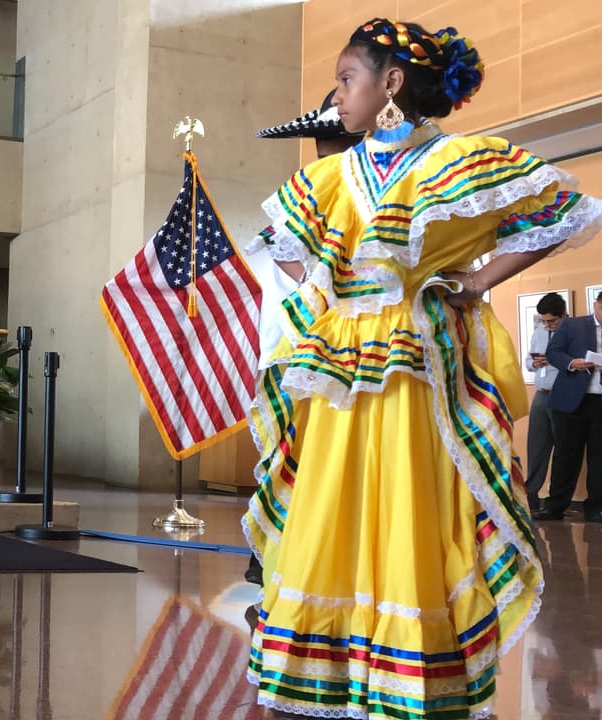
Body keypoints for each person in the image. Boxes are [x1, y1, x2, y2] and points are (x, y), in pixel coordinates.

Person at [242, 18, 602, 719]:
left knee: (409, 500)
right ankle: (336, 654)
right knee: (332, 497)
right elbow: (281, 242)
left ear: (392, 84)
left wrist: (476, 280)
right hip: (343, 361)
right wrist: (327, 289)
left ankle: (404, 667)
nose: (338, 94)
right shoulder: (330, 175)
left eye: (348, 79)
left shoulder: (458, 160)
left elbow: (565, 211)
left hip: (419, 362)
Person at [244, 89, 364, 588]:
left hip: (312, 343)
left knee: (307, 455)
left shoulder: (316, 194)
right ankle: (298, 557)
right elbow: (298, 269)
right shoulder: (321, 192)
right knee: (316, 455)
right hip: (319, 344)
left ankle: (289, 557)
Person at [538, 291, 602, 521]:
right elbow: (553, 353)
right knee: (566, 454)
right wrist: (572, 363)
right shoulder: (574, 325)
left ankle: (596, 508)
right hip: (571, 401)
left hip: (600, 402)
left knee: (599, 457)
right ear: (596, 304)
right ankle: (555, 507)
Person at [525, 292, 567, 514]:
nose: (548, 325)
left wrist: (552, 360)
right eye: (544, 320)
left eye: (552, 320)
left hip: (563, 395)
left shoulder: (574, 332)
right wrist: (534, 363)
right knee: (536, 447)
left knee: (563, 450)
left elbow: (577, 363)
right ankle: (530, 497)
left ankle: (556, 502)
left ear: (564, 315)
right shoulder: (539, 331)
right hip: (540, 395)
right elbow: (528, 364)